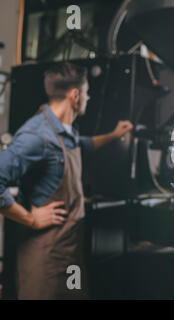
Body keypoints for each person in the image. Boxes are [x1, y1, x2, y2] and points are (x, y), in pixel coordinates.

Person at [0, 62, 133, 299]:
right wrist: (30, 219)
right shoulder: (36, 136)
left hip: (70, 252)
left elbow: (84, 144)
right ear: (75, 95)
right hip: (44, 257)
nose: (89, 97)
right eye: (87, 91)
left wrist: (114, 135)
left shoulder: (65, 130)